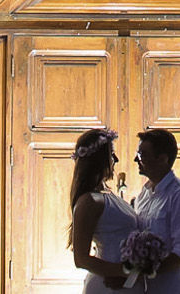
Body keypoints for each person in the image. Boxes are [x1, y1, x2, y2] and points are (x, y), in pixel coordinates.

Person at [131, 128, 180, 294]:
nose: (136, 159)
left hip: (171, 287)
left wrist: (143, 273)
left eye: (142, 155)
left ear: (162, 159)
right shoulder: (144, 194)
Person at [68, 126, 137, 294]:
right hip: (107, 285)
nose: (116, 159)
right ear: (99, 159)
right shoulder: (89, 201)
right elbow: (81, 259)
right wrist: (123, 271)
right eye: (111, 154)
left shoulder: (108, 195)